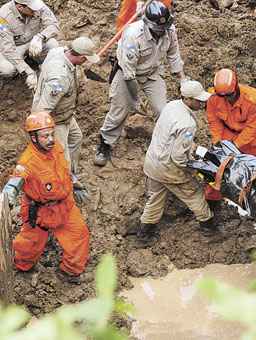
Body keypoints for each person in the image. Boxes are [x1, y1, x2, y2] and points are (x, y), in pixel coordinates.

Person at [94, 0, 186, 167]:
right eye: (158, 29)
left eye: (164, 28)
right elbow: (129, 76)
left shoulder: (169, 29)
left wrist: (182, 80)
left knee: (163, 110)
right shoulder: (132, 35)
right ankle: (105, 144)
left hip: (152, 73)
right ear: (148, 24)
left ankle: (164, 145)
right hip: (126, 74)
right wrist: (136, 100)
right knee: (119, 111)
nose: (161, 32)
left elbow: (173, 55)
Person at [1, 111, 90, 284]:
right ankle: (21, 267)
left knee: (79, 235)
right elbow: (16, 180)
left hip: (64, 205)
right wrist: (9, 193)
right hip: (40, 211)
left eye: (51, 134)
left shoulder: (55, 147)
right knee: (30, 244)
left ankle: (70, 272)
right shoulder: (27, 162)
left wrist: (74, 182)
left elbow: (62, 169)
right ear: (33, 138)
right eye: (44, 136)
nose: (50, 139)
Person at [137, 80, 216, 247]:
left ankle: (144, 235)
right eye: (198, 100)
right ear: (187, 99)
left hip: (153, 162)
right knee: (194, 194)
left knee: (156, 198)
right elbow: (179, 157)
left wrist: (192, 147)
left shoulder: (172, 105)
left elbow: (169, 136)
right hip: (168, 168)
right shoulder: (187, 124)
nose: (202, 103)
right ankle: (208, 227)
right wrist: (193, 169)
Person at [32, 36, 99, 181]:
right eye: (86, 59)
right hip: (55, 120)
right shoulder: (60, 78)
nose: (86, 62)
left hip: (66, 113)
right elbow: (43, 109)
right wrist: (42, 133)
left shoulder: (59, 51)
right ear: (81, 57)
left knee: (76, 138)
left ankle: (71, 174)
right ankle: (63, 182)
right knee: (61, 158)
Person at [205, 68, 256, 200]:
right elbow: (214, 121)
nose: (226, 99)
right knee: (219, 171)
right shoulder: (214, 97)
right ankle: (213, 202)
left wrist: (235, 145)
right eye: (222, 96)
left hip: (252, 141)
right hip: (228, 135)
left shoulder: (252, 98)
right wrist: (218, 142)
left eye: (229, 95)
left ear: (236, 87)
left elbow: (252, 127)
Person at [0, 0, 60, 90]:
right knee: (7, 69)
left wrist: (40, 37)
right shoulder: (3, 17)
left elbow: (54, 25)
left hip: (35, 41)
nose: (36, 11)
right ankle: (23, 67)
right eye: (33, 9)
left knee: (53, 45)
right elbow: (8, 48)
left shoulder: (38, 6)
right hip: (15, 47)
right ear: (20, 7)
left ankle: (39, 63)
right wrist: (28, 72)